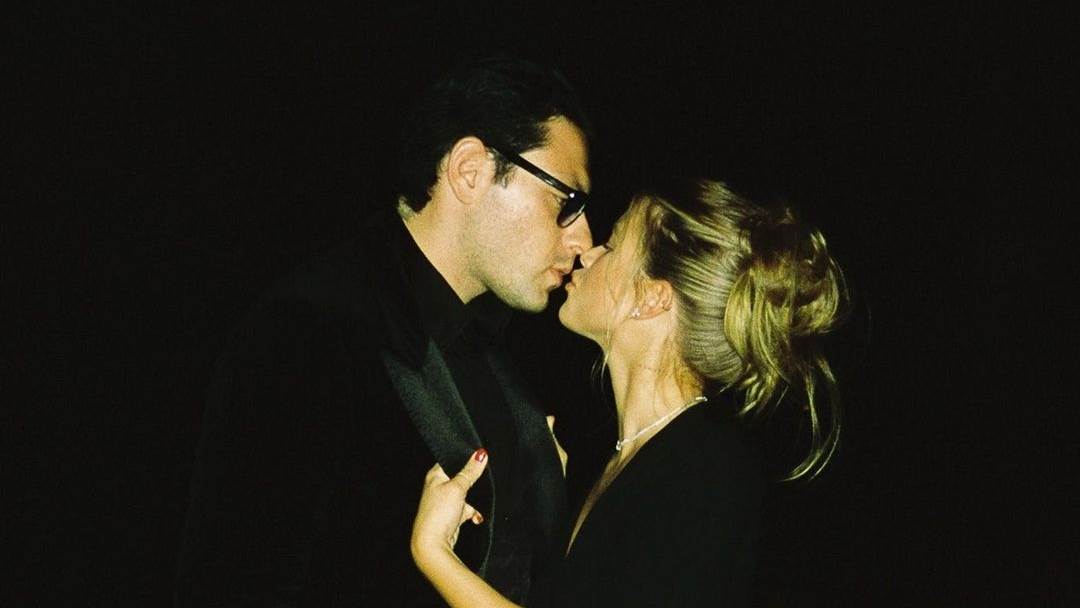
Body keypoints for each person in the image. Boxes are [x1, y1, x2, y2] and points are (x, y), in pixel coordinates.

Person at [174, 55, 594, 606]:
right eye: (566, 201)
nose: (583, 239)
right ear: (470, 170)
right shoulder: (308, 333)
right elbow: (234, 579)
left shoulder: (505, 357)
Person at [410, 178, 847, 606]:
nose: (587, 253)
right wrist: (545, 508)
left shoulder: (707, 472)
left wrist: (434, 554)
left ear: (652, 297)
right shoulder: (630, 462)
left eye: (613, 245)